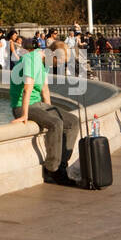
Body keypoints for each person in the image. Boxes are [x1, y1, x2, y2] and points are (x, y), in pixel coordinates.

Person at [8, 34, 80, 186]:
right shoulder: (32, 60)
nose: (58, 66)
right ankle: (51, 170)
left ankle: (61, 166)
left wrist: (50, 108)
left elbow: (45, 90)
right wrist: (24, 114)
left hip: (38, 104)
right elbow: (27, 89)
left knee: (73, 121)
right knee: (56, 123)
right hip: (22, 105)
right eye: (59, 62)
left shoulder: (45, 61)